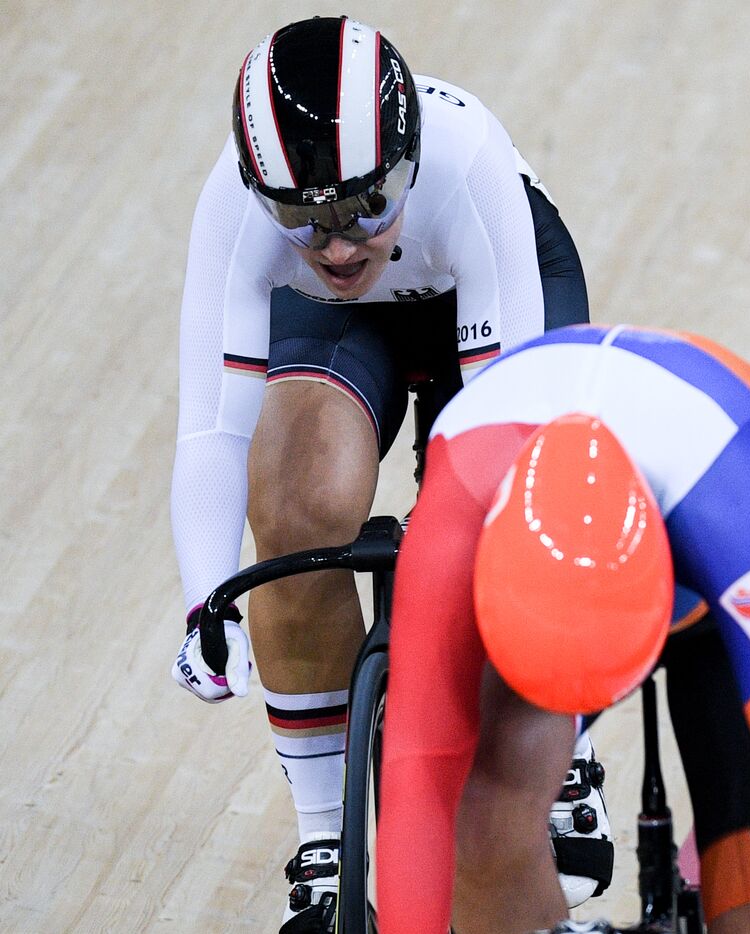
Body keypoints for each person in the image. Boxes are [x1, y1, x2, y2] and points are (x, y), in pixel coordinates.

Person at [166, 17, 606, 930]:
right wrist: (207, 600)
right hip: (339, 326)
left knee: (517, 514)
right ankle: (326, 841)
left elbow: (506, 445)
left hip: (481, 291)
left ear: (407, 162)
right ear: (261, 192)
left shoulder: (467, 157)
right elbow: (212, 430)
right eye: (304, 216)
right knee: (292, 504)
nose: (337, 245)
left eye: (367, 207)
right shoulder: (234, 206)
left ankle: (563, 755)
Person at [375, 325, 750, 933]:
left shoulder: (730, 511)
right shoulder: (450, 536)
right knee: (479, 818)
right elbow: (417, 779)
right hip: (583, 565)